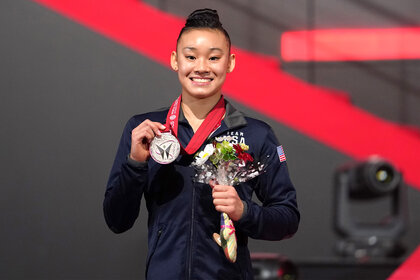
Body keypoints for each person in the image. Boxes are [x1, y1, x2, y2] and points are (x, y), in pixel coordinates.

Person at [104, 8, 299, 280]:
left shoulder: (255, 134)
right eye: (191, 56)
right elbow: (117, 220)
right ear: (175, 60)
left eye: (214, 57)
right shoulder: (146, 131)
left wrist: (245, 212)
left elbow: (288, 219)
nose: (202, 67)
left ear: (229, 63)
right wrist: (136, 163)